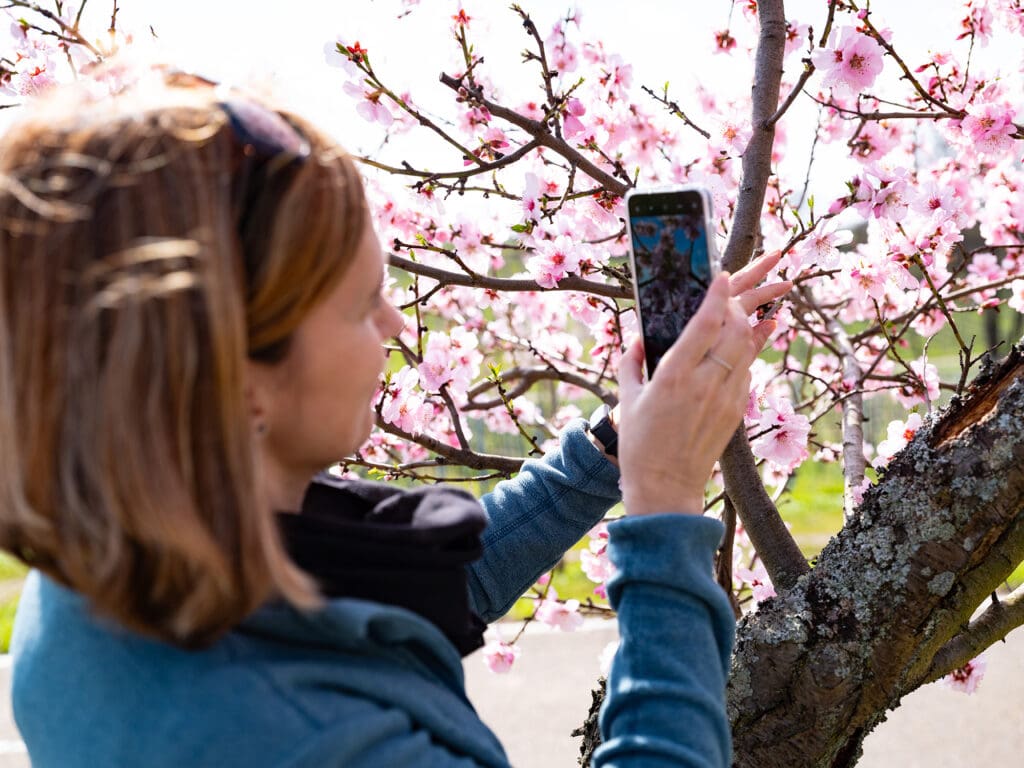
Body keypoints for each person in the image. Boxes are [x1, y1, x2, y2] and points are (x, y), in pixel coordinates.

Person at [0, 66, 788, 767]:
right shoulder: (289, 736)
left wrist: (616, 449)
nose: (395, 322)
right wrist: (665, 503)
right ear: (237, 382)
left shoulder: (111, 564)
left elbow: (424, 591)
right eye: (361, 301)